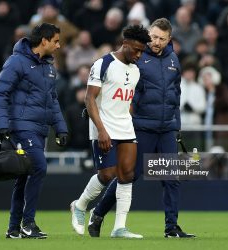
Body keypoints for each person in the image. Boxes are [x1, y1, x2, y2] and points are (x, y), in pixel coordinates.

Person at [87, 18, 195, 238]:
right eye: (153, 36)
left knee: (171, 178)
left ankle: (171, 228)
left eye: (161, 39)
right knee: (129, 175)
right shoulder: (136, 57)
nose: (155, 42)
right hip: (141, 127)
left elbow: (176, 95)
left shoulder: (174, 60)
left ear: (169, 40)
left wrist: (177, 126)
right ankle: (98, 213)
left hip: (166, 129)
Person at [70, 24, 151, 238]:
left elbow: (125, 100)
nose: (139, 55)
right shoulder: (103, 63)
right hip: (103, 125)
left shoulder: (135, 71)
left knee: (127, 175)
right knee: (107, 174)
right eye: (136, 49)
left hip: (125, 125)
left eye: (142, 51)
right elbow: (89, 98)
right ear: (125, 44)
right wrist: (101, 131)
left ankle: (119, 228)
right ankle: (80, 205)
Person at [0, 23, 68, 239]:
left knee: (24, 177)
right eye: (55, 41)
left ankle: (14, 228)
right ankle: (28, 223)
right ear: (44, 40)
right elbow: (0, 93)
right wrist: (2, 124)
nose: (58, 45)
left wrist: (60, 128)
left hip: (39, 129)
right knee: (39, 167)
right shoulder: (16, 62)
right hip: (22, 126)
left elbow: (53, 100)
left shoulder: (49, 67)